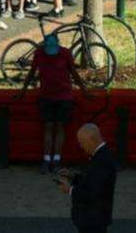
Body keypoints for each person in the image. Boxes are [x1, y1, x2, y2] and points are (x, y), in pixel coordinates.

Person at [24, 34, 86, 173]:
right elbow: (32, 72)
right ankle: (48, 159)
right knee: (50, 126)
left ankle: (54, 159)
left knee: (57, 126)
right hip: (48, 96)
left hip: (62, 96)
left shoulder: (64, 53)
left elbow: (74, 73)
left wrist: (84, 89)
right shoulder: (40, 54)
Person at [55, 123, 117, 233]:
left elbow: (93, 193)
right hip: (93, 218)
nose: (81, 146)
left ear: (91, 140)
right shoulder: (101, 156)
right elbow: (92, 180)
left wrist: (70, 189)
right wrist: (73, 176)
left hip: (94, 220)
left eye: (82, 142)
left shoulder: (102, 160)